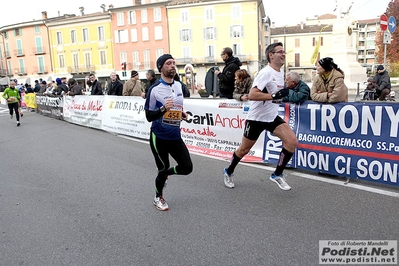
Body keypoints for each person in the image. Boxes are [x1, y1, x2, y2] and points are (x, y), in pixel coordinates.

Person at [222, 42, 298, 191]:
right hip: (256, 119)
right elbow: (252, 95)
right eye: (280, 52)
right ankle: (228, 170)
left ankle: (277, 174)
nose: (283, 54)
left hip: (271, 117)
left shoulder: (280, 73)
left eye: (284, 52)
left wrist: (281, 95)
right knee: (244, 150)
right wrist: (274, 95)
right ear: (271, 55)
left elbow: (275, 96)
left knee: (292, 141)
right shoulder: (266, 72)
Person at [144, 54, 193, 211]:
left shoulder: (178, 86)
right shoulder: (154, 90)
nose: (172, 65)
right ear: (161, 68)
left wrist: (181, 114)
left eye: (173, 63)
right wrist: (163, 108)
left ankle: (166, 175)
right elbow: (148, 116)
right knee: (162, 168)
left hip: (175, 136)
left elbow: (176, 108)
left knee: (187, 168)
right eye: (168, 63)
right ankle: (158, 197)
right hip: (159, 137)